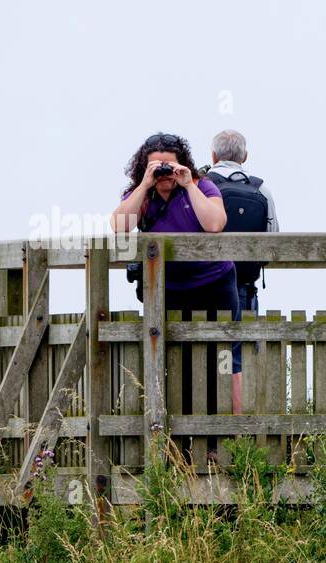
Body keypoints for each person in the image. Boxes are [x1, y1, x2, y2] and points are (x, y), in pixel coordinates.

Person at [111, 133, 243, 446]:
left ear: (182, 163)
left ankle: (231, 439)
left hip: (214, 284)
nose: (163, 173)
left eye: (169, 165)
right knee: (178, 362)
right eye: (156, 166)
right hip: (168, 291)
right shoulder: (141, 194)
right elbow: (118, 227)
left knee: (223, 360)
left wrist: (188, 185)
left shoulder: (201, 186)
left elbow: (215, 224)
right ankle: (181, 443)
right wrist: (145, 185)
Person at [206, 129, 279, 314]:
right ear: (245, 156)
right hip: (244, 282)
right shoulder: (261, 189)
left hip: (204, 282)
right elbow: (274, 237)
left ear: (213, 156)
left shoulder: (201, 186)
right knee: (242, 339)